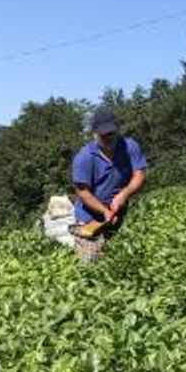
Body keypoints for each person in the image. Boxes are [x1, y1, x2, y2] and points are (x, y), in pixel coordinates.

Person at [70, 107, 147, 262]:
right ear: (94, 134)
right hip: (90, 218)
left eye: (111, 133)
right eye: (103, 134)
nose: (108, 137)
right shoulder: (84, 157)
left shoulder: (129, 146)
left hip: (120, 213)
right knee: (91, 262)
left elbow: (139, 174)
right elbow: (82, 192)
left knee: (122, 259)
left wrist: (123, 195)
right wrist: (104, 211)